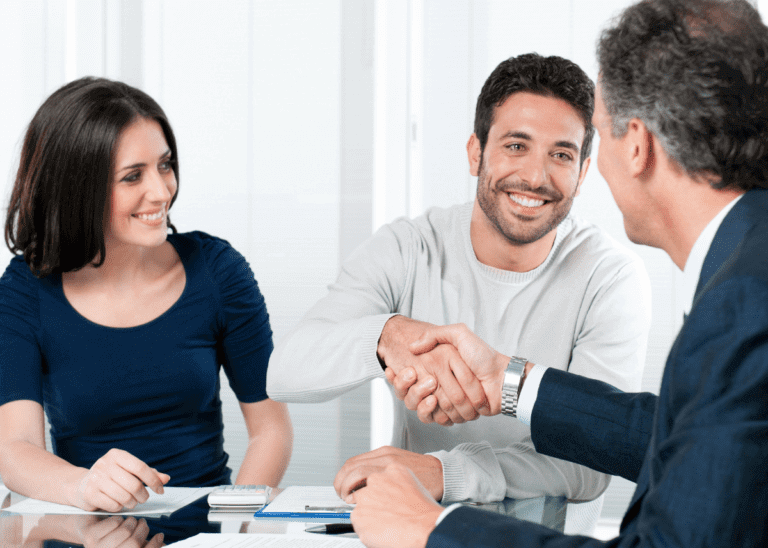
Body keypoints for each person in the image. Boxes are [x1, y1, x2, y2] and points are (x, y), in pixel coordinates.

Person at [351, 0, 768, 547]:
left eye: (596, 132)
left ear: (636, 144)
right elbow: (690, 436)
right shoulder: (749, 258)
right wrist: (508, 381)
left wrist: (433, 529)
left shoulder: (742, 304)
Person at [267, 53, 651, 531]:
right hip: (414, 533)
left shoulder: (610, 276)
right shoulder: (409, 248)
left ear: (583, 171)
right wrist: (388, 339)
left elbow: (592, 466)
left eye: (561, 154)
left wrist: (449, 472)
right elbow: (285, 372)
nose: (535, 176)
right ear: (476, 152)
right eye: (516, 145)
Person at [0, 77, 293, 513]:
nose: (161, 192)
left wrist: (235, 527)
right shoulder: (26, 290)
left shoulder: (217, 270)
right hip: (88, 528)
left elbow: (271, 428)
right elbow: (15, 447)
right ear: (78, 187)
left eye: (165, 165)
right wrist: (84, 487)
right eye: (132, 176)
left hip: (210, 527)